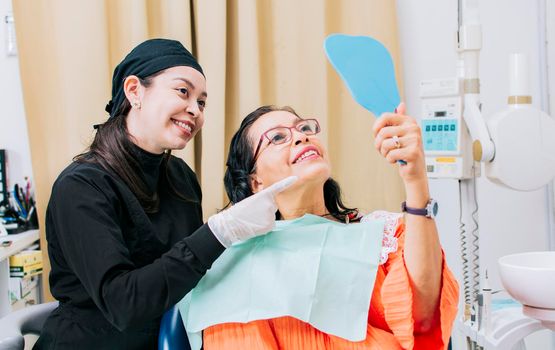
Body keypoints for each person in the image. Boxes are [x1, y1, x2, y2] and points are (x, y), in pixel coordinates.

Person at [34, 39, 296, 350]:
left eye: (202, 102)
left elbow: (187, 277)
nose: (194, 110)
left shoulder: (180, 179)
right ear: (134, 91)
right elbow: (124, 305)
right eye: (183, 92)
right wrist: (218, 232)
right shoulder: (82, 187)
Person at [202, 105, 459, 349]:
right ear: (255, 181)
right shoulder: (240, 269)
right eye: (278, 137)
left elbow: (423, 318)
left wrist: (415, 180)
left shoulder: (384, 235)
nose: (301, 138)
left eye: (303, 129)